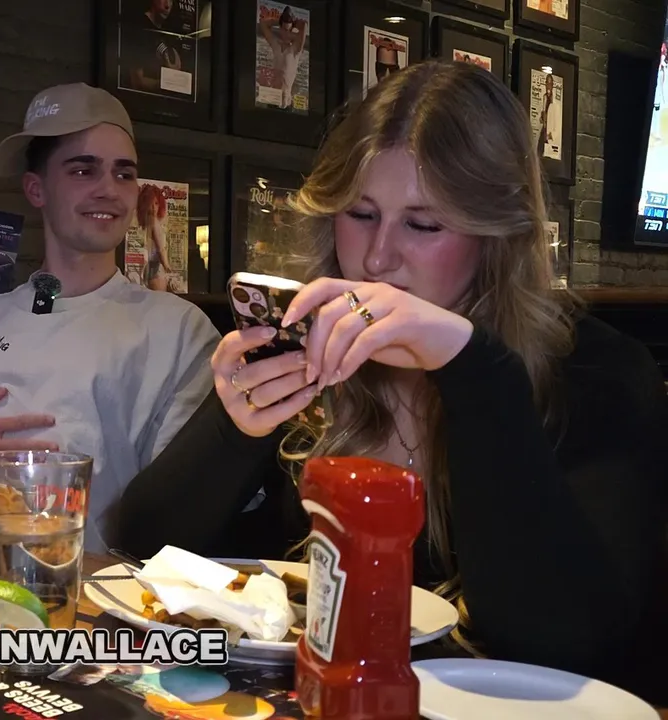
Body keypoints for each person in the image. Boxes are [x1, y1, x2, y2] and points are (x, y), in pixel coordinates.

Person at [119, 61, 667, 700]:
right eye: (360, 214)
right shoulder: (318, 344)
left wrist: (473, 367)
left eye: (423, 224)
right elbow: (142, 549)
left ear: (496, 235)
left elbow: (563, 643)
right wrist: (234, 427)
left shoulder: (598, 372)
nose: (378, 258)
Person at [0, 83, 220, 550]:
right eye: (83, 170)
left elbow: (182, 508)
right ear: (36, 189)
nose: (108, 190)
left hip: (87, 584)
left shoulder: (177, 330)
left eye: (124, 174)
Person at [259, 7, 306, 110]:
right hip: (272, 98)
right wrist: (280, 21)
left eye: (288, 31)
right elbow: (263, 23)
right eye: (284, 30)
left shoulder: (295, 50)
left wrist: (292, 23)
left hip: (286, 102)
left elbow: (303, 26)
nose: (286, 33)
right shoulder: (275, 44)